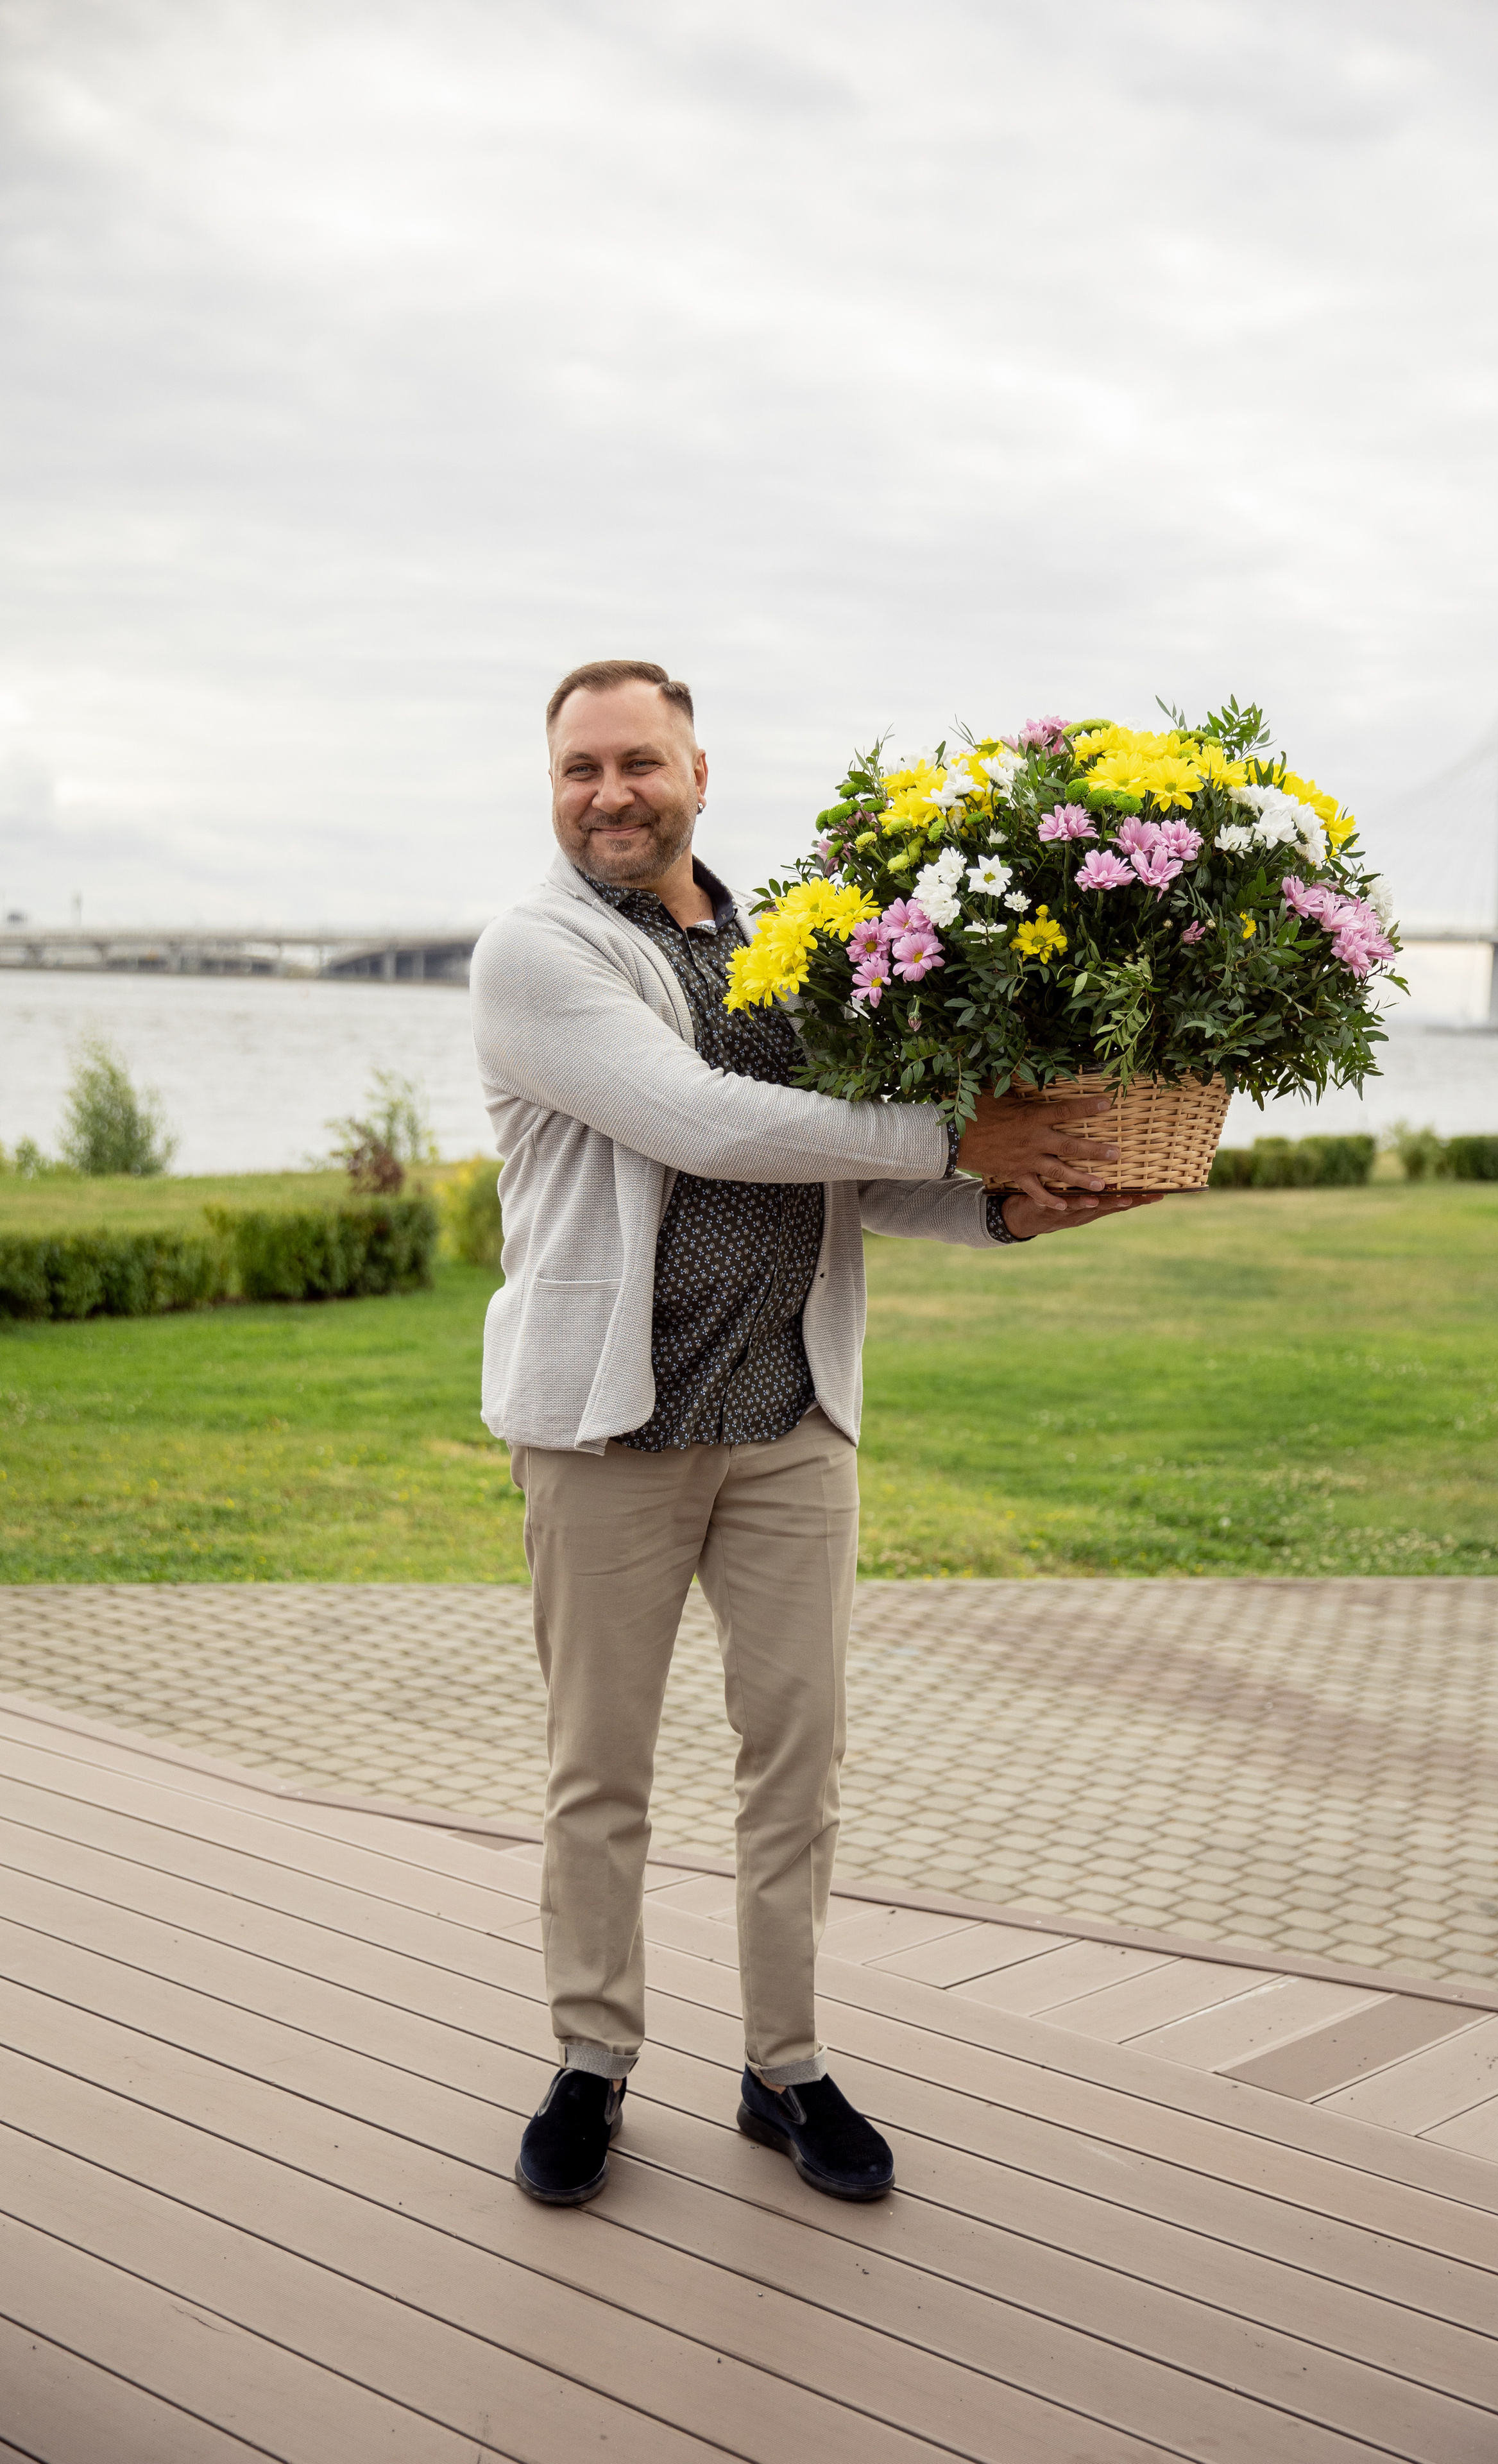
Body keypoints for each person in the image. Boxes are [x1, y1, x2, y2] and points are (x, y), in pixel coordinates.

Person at [470, 657, 1155, 2211]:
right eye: (579, 769)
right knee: (601, 1771)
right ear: (553, 787)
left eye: (637, 762)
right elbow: (710, 1122)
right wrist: (964, 1130)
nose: (609, 794)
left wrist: (1003, 1205)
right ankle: (591, 2062)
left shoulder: (793, 948)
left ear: (700, 773)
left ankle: (783, 2068)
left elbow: (840, 1172)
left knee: (798, 1765)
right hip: (605, 1437)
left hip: (790, 1422)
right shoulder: (534, 952)